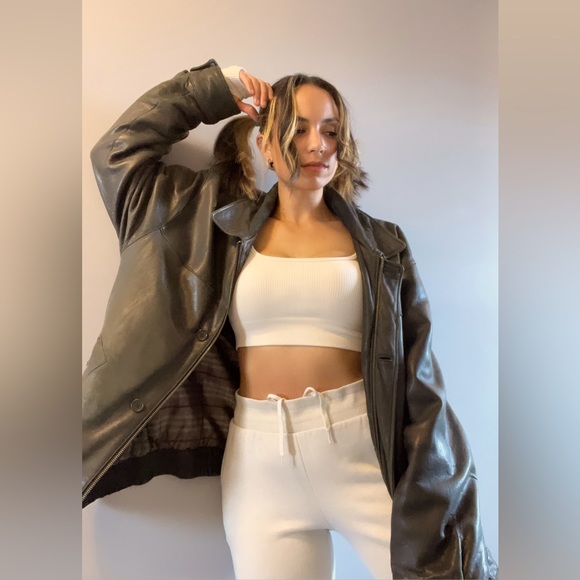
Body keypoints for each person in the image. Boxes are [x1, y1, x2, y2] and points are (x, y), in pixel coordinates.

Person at [82, 59, 498, 579]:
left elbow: (420, 371)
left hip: (363, 451)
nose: (318, 145)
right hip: (259, 465)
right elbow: (116, 152)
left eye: (331, 131)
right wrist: (215, 87)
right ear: (266, 145)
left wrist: (440, 473)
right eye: (299, 130)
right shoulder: (215, 229)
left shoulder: (383, 244)